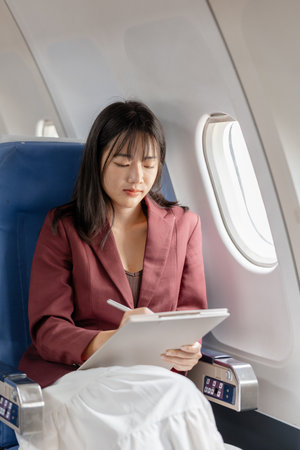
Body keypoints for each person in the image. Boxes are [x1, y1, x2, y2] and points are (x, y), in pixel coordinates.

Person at [17, 100, 225, 449]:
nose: (136, 177)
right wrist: (110, 339)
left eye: (148, 163)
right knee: (128, 430)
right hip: (77, 378)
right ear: (97, 162)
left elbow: (191, 312)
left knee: (184, 401)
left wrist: (190, 348)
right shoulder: (64, 227)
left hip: (154, 376)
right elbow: (48, 329)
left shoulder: (184, 225)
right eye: (122, 162)